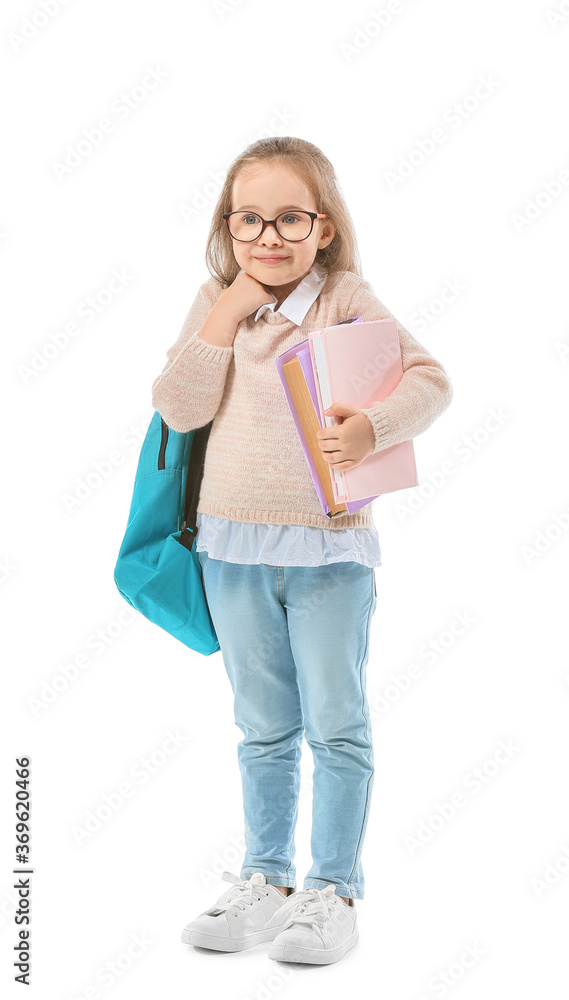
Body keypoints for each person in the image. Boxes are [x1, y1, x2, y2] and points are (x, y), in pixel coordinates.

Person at [151, 136, 453, 966]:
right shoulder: (216, 301)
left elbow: (431, 379)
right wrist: (225, 309)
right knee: (262, 728)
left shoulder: (342, 296)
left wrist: (371, 427)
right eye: (248, 219)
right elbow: (178, 408)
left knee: (336, 726)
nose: (268, 236)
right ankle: (266, 879)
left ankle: (331, 891)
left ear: (322, 227)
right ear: (227, 225)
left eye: (289, 218)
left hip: (329, 550)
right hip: (230, 548)